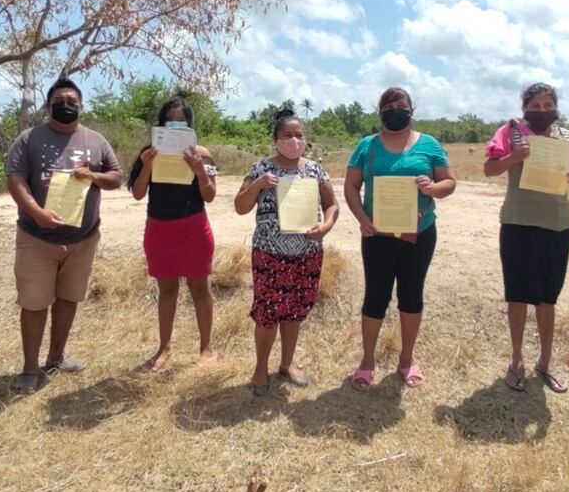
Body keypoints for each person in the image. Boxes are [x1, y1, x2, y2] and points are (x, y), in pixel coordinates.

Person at [5, 77, 123, 394]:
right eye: (59, 100)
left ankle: (56, 357)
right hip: (36, 237)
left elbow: (116, 177)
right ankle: (30, 368)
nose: (66, 104)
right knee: (34, 303)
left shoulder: (96, 140)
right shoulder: (29, 139)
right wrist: (36, 212)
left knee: (69, 298)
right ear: (48, 105)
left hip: (83, 239)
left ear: (81, 105)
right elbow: (15, 180)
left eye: (72, 100)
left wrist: (94, 175)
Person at [343, 87, 455, 390]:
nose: (396, 109)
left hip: (419, 234)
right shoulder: (366, 146)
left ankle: (406, 359)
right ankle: (367, 361)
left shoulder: (429, 145)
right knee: (375, 296)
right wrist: (362, 219)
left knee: (411, 295)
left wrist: (432, 188)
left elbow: (449, 182)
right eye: (389, 105)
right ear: (380, 111)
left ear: (411, 109)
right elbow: (351, 186)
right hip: (376, 234)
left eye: (401, 105)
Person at [483, 83, 569, 393]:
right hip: (518, 222)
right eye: (536, 105)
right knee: (516, 295)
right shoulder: (510, 132)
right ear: (524, 106)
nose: (542, 110)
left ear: (555, 107)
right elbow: (489, 169)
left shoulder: (567, 138)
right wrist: (515, 157)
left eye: (548, 105)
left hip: (556, 224)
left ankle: (545, 362)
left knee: (547, 298)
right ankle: (516, 361)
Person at [234, 107, 339, 396]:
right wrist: (258, 184)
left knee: (294, 312)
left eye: (299, 135)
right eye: (287, 135)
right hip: (269, 254)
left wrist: (326, 225)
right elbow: (240, 206)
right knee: (268, 313)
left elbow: (332, 205)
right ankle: (260, 369)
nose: (294, 140)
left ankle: (287, 364)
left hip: (307, 253)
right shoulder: (260, 169)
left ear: (306, 139)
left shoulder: (315, 170)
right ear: (275, 139)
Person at [127, 96, 218, 371]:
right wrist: (146, 166)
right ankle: (164, 348)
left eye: (181, 120)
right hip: (159, 229)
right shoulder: (149, 152)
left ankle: (206, 347)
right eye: (170, 120)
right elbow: (138, 193)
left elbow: (210, 195)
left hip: (193, 227)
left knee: (200, 289)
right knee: (166, 291)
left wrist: (200, 171)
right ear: (161, 124)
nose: (176, 125)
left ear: (189, 124)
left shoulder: (201, 153)